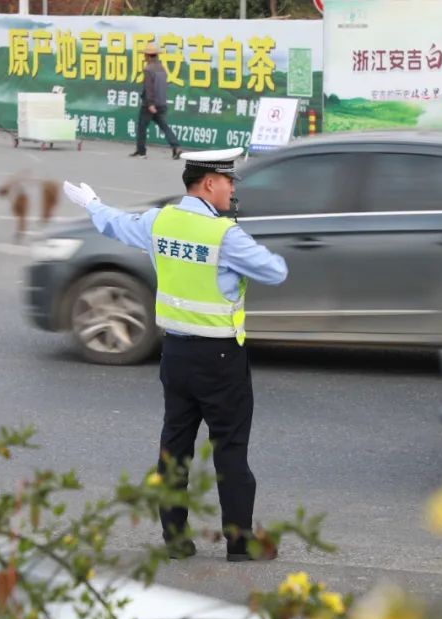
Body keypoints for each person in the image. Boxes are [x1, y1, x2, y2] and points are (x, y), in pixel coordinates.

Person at [62, 148, 287, 562]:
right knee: (231, 451)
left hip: (176, 356)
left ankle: (176, 540)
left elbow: (114, 223)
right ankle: (239, 544)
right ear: (208, 183)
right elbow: (275, 271)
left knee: (174, 449)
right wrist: (234, 250)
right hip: (221, 359)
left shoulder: (158, 221)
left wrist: (91, 203)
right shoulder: (225, 235)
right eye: (229, 181)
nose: (233, 188)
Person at [133, 43, 181, 160]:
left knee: (141, 127)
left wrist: (150, 104)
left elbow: (149, 87)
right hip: (162, 103)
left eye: (145, 55)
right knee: (164, 126)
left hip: (150, 104)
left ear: (148, 56)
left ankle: (141, 151)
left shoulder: (148, 69)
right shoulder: (162, 68)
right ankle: (175, 146)